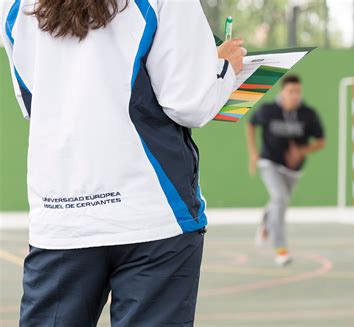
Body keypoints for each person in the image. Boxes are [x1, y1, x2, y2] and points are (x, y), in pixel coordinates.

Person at [1, 0, 245, 325]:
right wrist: (223, 67)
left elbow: (34, 98)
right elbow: (191, 103)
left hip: (61, 215)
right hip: (153, 212)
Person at [246, 75, 325, 266]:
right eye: (291, 91)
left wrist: (302, 151)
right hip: (269, 163)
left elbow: (321, 141)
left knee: (278, 201)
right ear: (283, 92)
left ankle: (266, 222)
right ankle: (280, 249)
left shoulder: (308, 114)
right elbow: (251, 124)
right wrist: (253, 154)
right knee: (280, 199)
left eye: (298, 91)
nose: (295, 95)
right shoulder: (268, 110)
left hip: (293, 170)